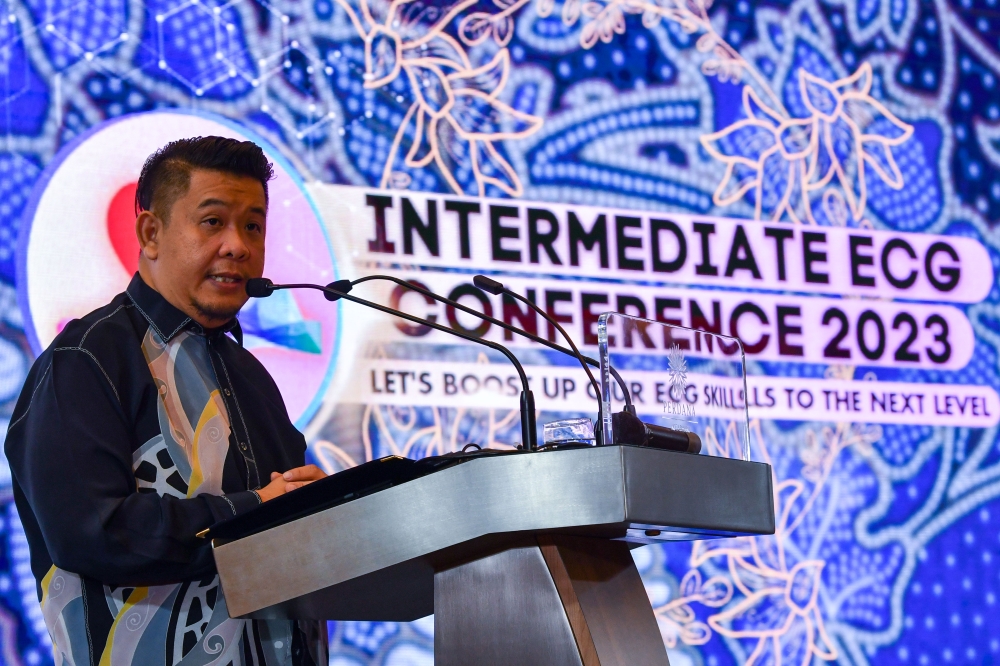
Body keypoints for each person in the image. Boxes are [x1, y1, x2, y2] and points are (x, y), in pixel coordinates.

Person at [5, 136, 329, 665]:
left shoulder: (251, 376)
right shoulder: (85, 360)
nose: (238, 246)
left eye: (253, 225)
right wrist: (256, 510)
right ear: (150, 232)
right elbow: (95, 532)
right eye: (212, 222)